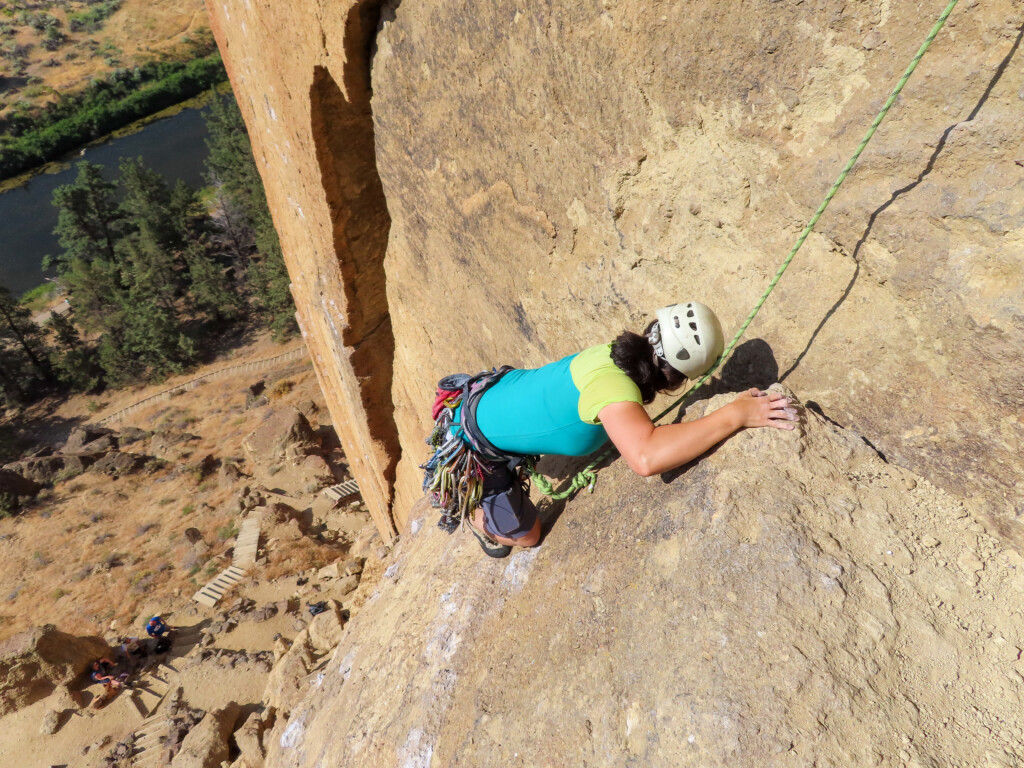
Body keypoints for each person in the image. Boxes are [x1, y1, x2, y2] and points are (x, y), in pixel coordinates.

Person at [439, 301, 798, 555]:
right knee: (529, 535)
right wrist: (736, 415)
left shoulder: (613, 354)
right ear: (675, 381)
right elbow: (646, 457)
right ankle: (477, 514)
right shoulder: (615, 392)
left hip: (489, 394)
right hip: (470, 440)